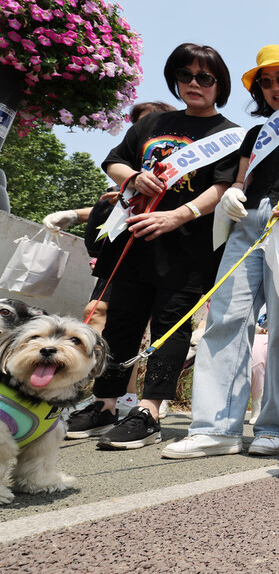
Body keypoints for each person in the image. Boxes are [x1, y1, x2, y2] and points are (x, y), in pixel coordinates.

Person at [161, 44, 279, 459]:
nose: (275, 88)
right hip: (249, 224)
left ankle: (272, 426)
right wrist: (233, 196)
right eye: (267, 82)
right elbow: (242, 179)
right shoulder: (256, 134)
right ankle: (215, 428)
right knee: (226, 318)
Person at [65, 43, 240, 449]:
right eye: (185, 75)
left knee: (169, 327)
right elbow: (114, 160)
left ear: (219, 84)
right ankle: (104, 404)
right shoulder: (153, 123)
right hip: (134, 240)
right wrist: (132, 178)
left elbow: (223, 186)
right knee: (121, 322)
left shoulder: (230, 135)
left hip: (187, 249)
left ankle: (149, 410)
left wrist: (178, 215)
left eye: (204, 77)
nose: (193, 84)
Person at [43, 101, 177, 416]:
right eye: (137, 123)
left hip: (154, 251)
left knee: (124, 318)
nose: (142, 129)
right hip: (116, 252)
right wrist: (75, 215)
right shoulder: (127, 163)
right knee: (106, 316)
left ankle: (130, 396)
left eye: (150, 122)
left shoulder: (174, 166)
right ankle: (107, 394)